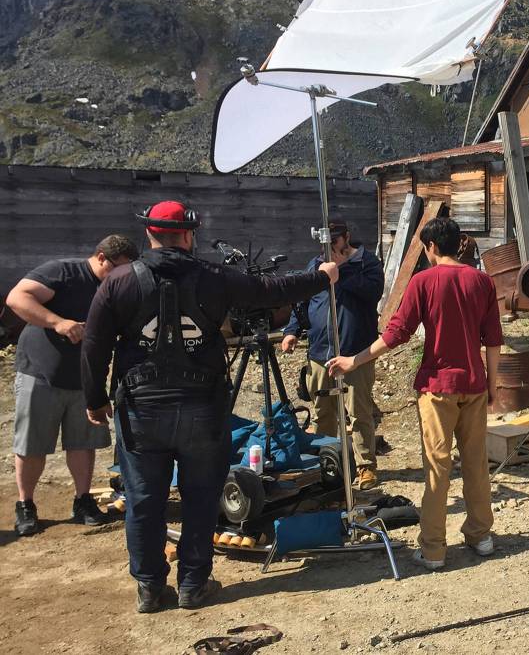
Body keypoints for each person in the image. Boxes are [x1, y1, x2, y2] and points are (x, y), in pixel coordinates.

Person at [80, 200, 339, 613]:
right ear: (188, 235)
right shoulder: (215, 277)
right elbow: (271, 292)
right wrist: (320, 277)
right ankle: (193, 584)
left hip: (141, 409)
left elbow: (94, 346)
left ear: (150, 234)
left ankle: (148, 586)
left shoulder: (119, 283)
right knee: (201, 497)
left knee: (145, 498)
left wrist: (94, 399)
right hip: (202, 406)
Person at [326, 217, 502, 571]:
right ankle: (481, 536)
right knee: (476, 463)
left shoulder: (423, 281)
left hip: (437, 388)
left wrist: (353, 360)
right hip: (474, 384)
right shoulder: (481, 281)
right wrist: (492, 385)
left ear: (432, 247)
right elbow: (493, 340)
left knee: (437, 469)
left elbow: (395, 335)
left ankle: (434, 549)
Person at [6, 235, 139, 537]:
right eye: (117, 268)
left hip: (84, 377)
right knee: (32, 443)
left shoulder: (115, 287)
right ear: (102, 257)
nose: (121, 276)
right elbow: (17, 298)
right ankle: (25, 504)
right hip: (40, 373)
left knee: (84, 442)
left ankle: (83, 500)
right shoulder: (62, 272)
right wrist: (57, 322)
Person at [281, 218, 385, 490]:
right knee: (322, 412)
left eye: (334, 240)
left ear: (346, 237)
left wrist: (341, 271)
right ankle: (329, 463)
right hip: (319, 354)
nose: (328, 246)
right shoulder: (315, 265)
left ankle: (365, 467)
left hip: (355, 354)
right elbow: (303, 301)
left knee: (358, 412)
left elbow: (373, 293)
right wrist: (292, 330)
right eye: (324, 241)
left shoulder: (367, 264)